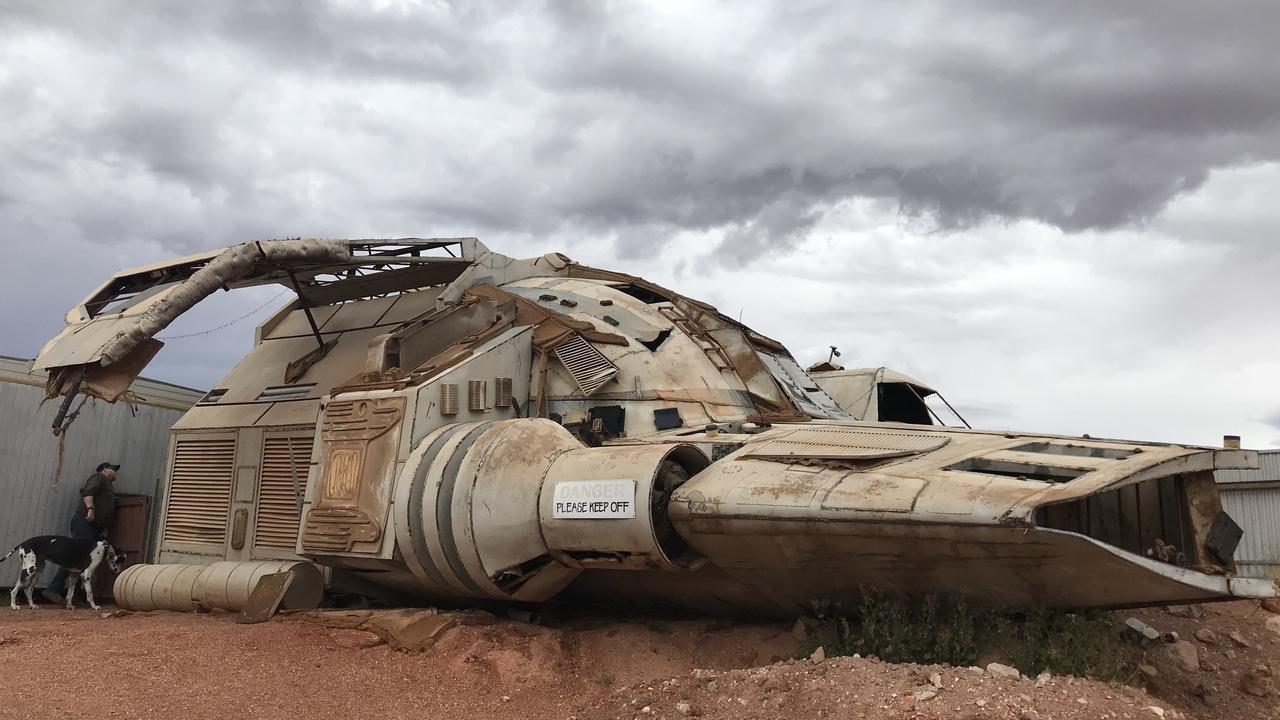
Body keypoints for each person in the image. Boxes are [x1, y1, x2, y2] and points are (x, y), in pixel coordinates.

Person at [44, 462, 120, 603]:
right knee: (76, 557)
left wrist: (103, 527)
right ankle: (53, 589)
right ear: (104, 469)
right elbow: (88, 493)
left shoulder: (108, 485)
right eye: (113, 469)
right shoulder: (98, 478)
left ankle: (74, 595)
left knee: (84, 560)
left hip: (95, 526)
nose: (116, 472)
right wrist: (90, 509)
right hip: (85, 522)